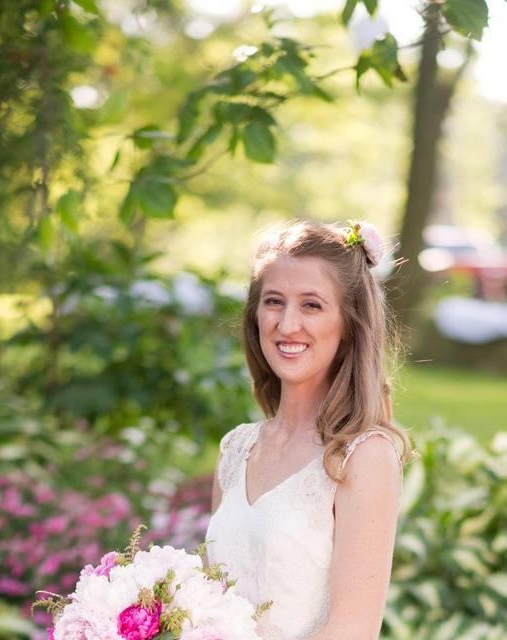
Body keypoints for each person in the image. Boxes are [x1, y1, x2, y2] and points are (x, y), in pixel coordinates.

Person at [205, 218, 413, 640]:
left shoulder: (363, 456)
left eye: (312, 305)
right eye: (274, 301)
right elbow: (206, 607)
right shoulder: (235, 449)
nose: (286, 325)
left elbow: (352, 630)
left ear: (349, 324)